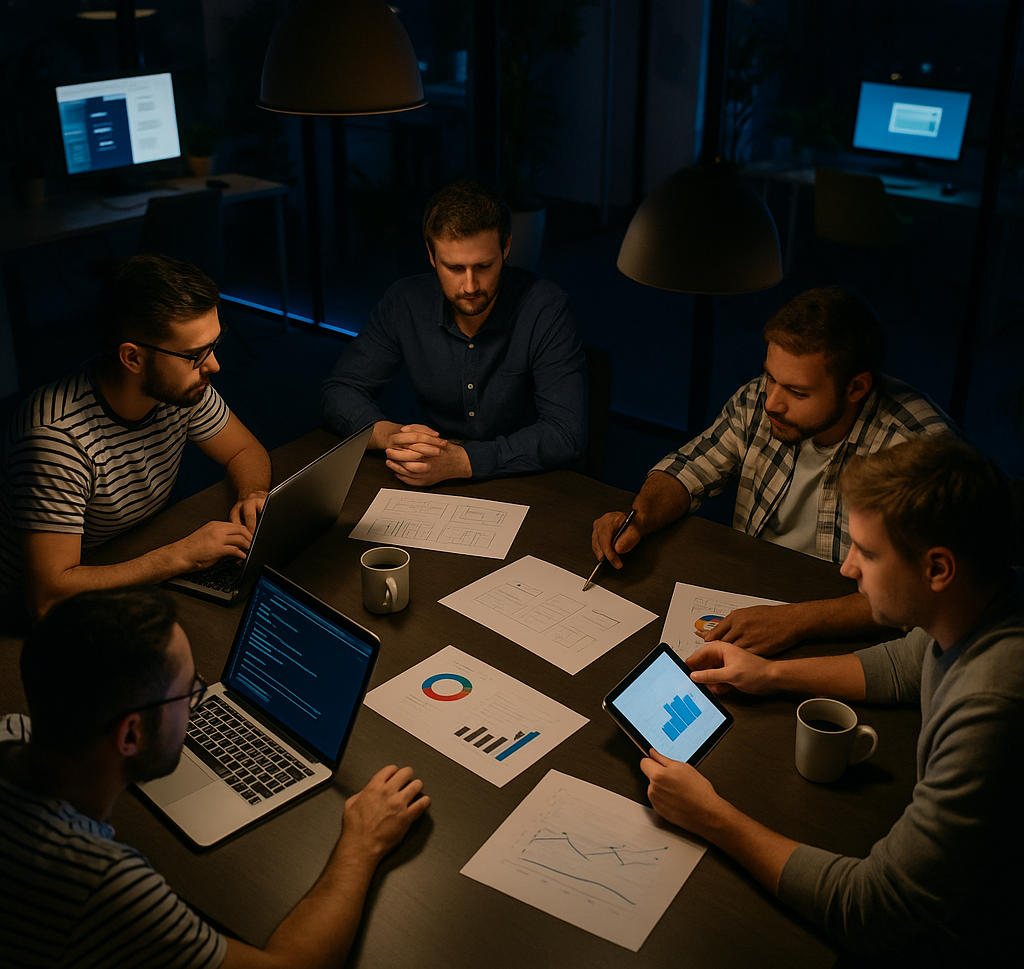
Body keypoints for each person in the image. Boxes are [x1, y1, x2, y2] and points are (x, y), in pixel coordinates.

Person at [640, 437, 1022, 964]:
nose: (847, 568)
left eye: (866, 551)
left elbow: (874, 907)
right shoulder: (984, 601)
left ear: (938, 570)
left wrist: (711, 817)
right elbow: (904, 665)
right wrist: (769, 674)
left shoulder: (993, 702)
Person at [0, 587, 430, 969]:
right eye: (189, 691)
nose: (198, 702)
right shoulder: (101, 886)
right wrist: (361, 844)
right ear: (130, 734)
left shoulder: (11, 731)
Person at [592, 286, 952, 654]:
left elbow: (914, 596)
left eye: (797, 392)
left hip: (853, 632)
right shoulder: (760, 399)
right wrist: (639, 517)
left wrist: (796, 620)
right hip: (756, 591)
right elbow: (688, 468)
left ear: (856, 387)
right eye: (769, 377)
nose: (772, 402)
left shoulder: (918, 452)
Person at [0, 254, 271, 621]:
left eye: (213, 346)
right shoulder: (56, 440)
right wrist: (179, 556)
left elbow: (244, 450)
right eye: (194, 355)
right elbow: (47, 597)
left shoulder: (180, 388)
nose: (213, 365)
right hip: (26, 614)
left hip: (124, 554)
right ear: (132, 358)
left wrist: (252, 494)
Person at [320, 180, 587, 487]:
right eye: (455, 268)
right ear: (432, 256)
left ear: (506, 248)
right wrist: (391, 435)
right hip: (436, 475)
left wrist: (464, 461)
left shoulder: (546, 309)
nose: (471, 286)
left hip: (525, 478)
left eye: (484, 266)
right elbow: (339, 390)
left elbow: (566, 433)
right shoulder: (405, 302)